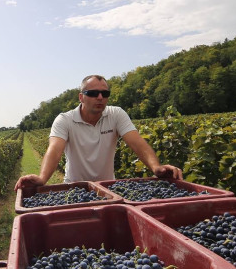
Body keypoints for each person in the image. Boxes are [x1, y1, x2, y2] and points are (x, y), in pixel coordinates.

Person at [14, 74, 184, 190]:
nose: (100, 97)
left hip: (108, 187)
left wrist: (156, 168)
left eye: (105, 93)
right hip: (75, 189)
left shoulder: (116, 114)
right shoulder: (65, 120)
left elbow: (138, 143)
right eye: (93, 93)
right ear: (81, 97)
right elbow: (55, 150)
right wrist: (42, 178)